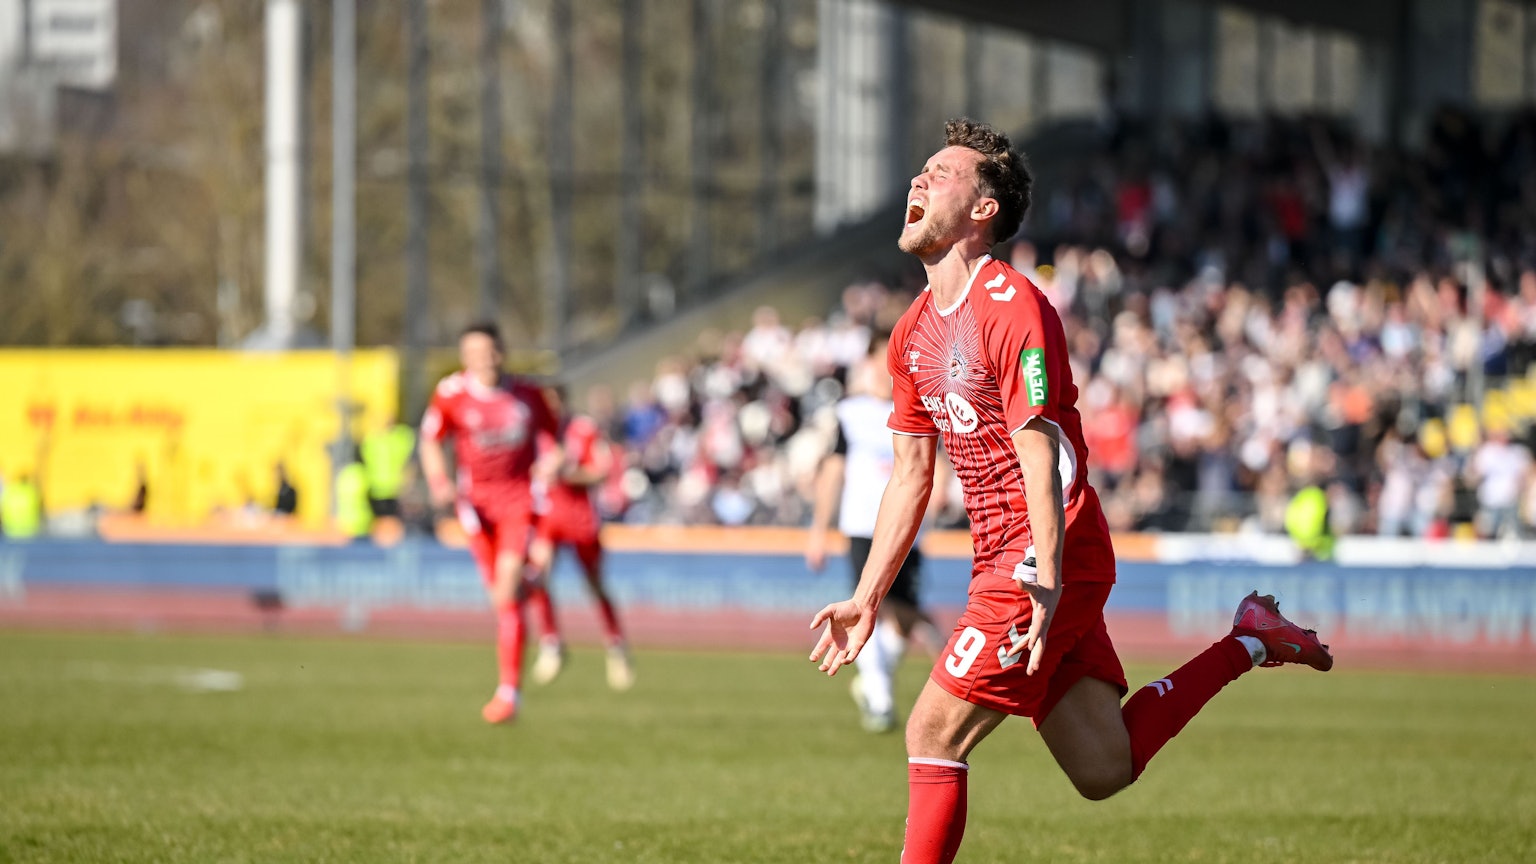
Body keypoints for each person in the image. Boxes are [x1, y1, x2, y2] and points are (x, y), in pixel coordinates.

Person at [808, 119, 1333, 864]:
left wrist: (1045, 578)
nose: (918, 181)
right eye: (920, 171)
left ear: (983, 209)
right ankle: (1251, 639)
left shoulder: (1012, 304)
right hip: (1014, 559)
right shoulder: (912, 333)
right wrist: (866, 596)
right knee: (1102, 767)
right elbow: (912, 476)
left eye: (941, 174)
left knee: (931, 730)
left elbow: (1038, 447)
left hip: (1041, 555)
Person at [419, 322, 561, 724]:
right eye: (475, 353)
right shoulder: (451, 394)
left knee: (505, 589)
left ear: (502, 352)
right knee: (505, 597)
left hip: (518, 501)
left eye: (491, 350)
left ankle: (508, 693)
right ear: (465, 358)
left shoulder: (529, 396)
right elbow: (430, 439)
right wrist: (439, 481)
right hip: (475, 506)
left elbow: (554, 438)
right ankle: (537, 591)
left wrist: (552, 461)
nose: (484, 359)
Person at [806, 341, 942, 733]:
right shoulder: (852, 414)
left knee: (903, 618)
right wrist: (818, 530)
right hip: (865, 524)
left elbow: (937, 463)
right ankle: (880, 700)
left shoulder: (920, 404)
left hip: (908, 528)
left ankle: (872, 685)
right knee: (866, 605)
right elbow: (833, 471)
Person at [524, 383, 636, 691]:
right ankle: (552, 644)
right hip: (547, 516)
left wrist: (567, 473)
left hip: (580, 517)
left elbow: (601, 472)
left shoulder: (583, 429)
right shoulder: (533, 432)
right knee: (537, 576)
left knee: (595, 586)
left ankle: (617, 647)